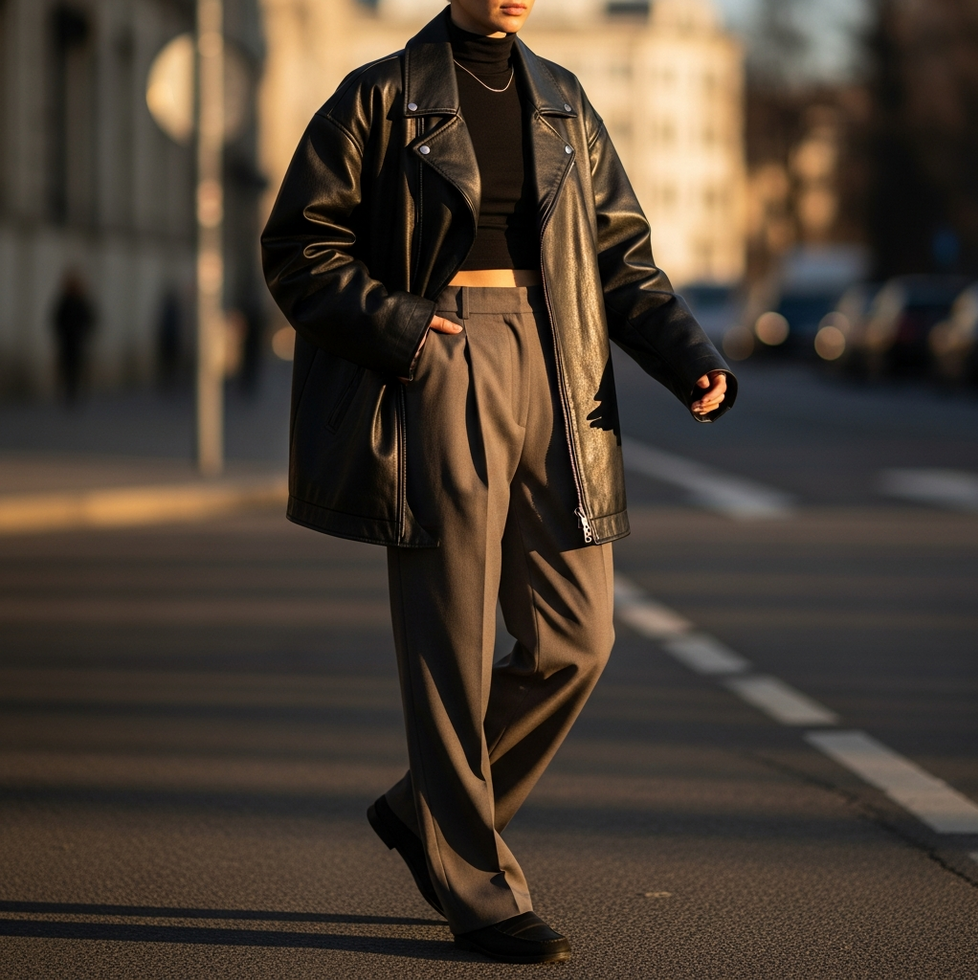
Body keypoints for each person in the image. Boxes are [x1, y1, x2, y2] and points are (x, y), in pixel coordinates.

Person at [262, 0, 734, 964]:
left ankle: (421, 812)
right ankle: (480, 892)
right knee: (453, 637)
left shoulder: (563, 100)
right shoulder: (382, 96)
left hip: (561, 363)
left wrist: (687, 356)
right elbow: (300, 246)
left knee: (579, 637)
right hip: (440, 356)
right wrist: (401, 326)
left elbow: (620, 255)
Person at [51, 270, 95, 405]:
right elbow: (56, 320)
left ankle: (75, 392)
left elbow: (90, 318)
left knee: (76, 368)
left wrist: (84, 331)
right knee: (67, 368)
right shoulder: (65, 301)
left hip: (77, 340)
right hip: (67, 340)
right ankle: (69, 393)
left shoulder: (80, 302)